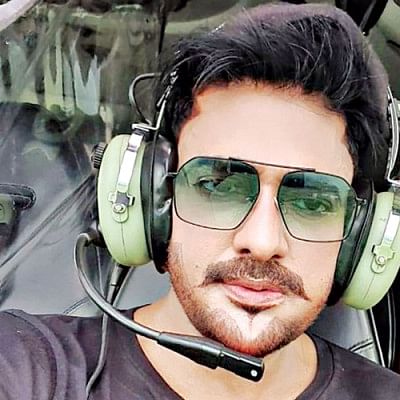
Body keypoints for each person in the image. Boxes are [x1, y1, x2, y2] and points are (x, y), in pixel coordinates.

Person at [1, 2, 400, 399]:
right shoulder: (26, 366)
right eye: (218, 186)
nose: (262, 242)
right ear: (157, 201)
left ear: (360, 234)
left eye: (312, 203)